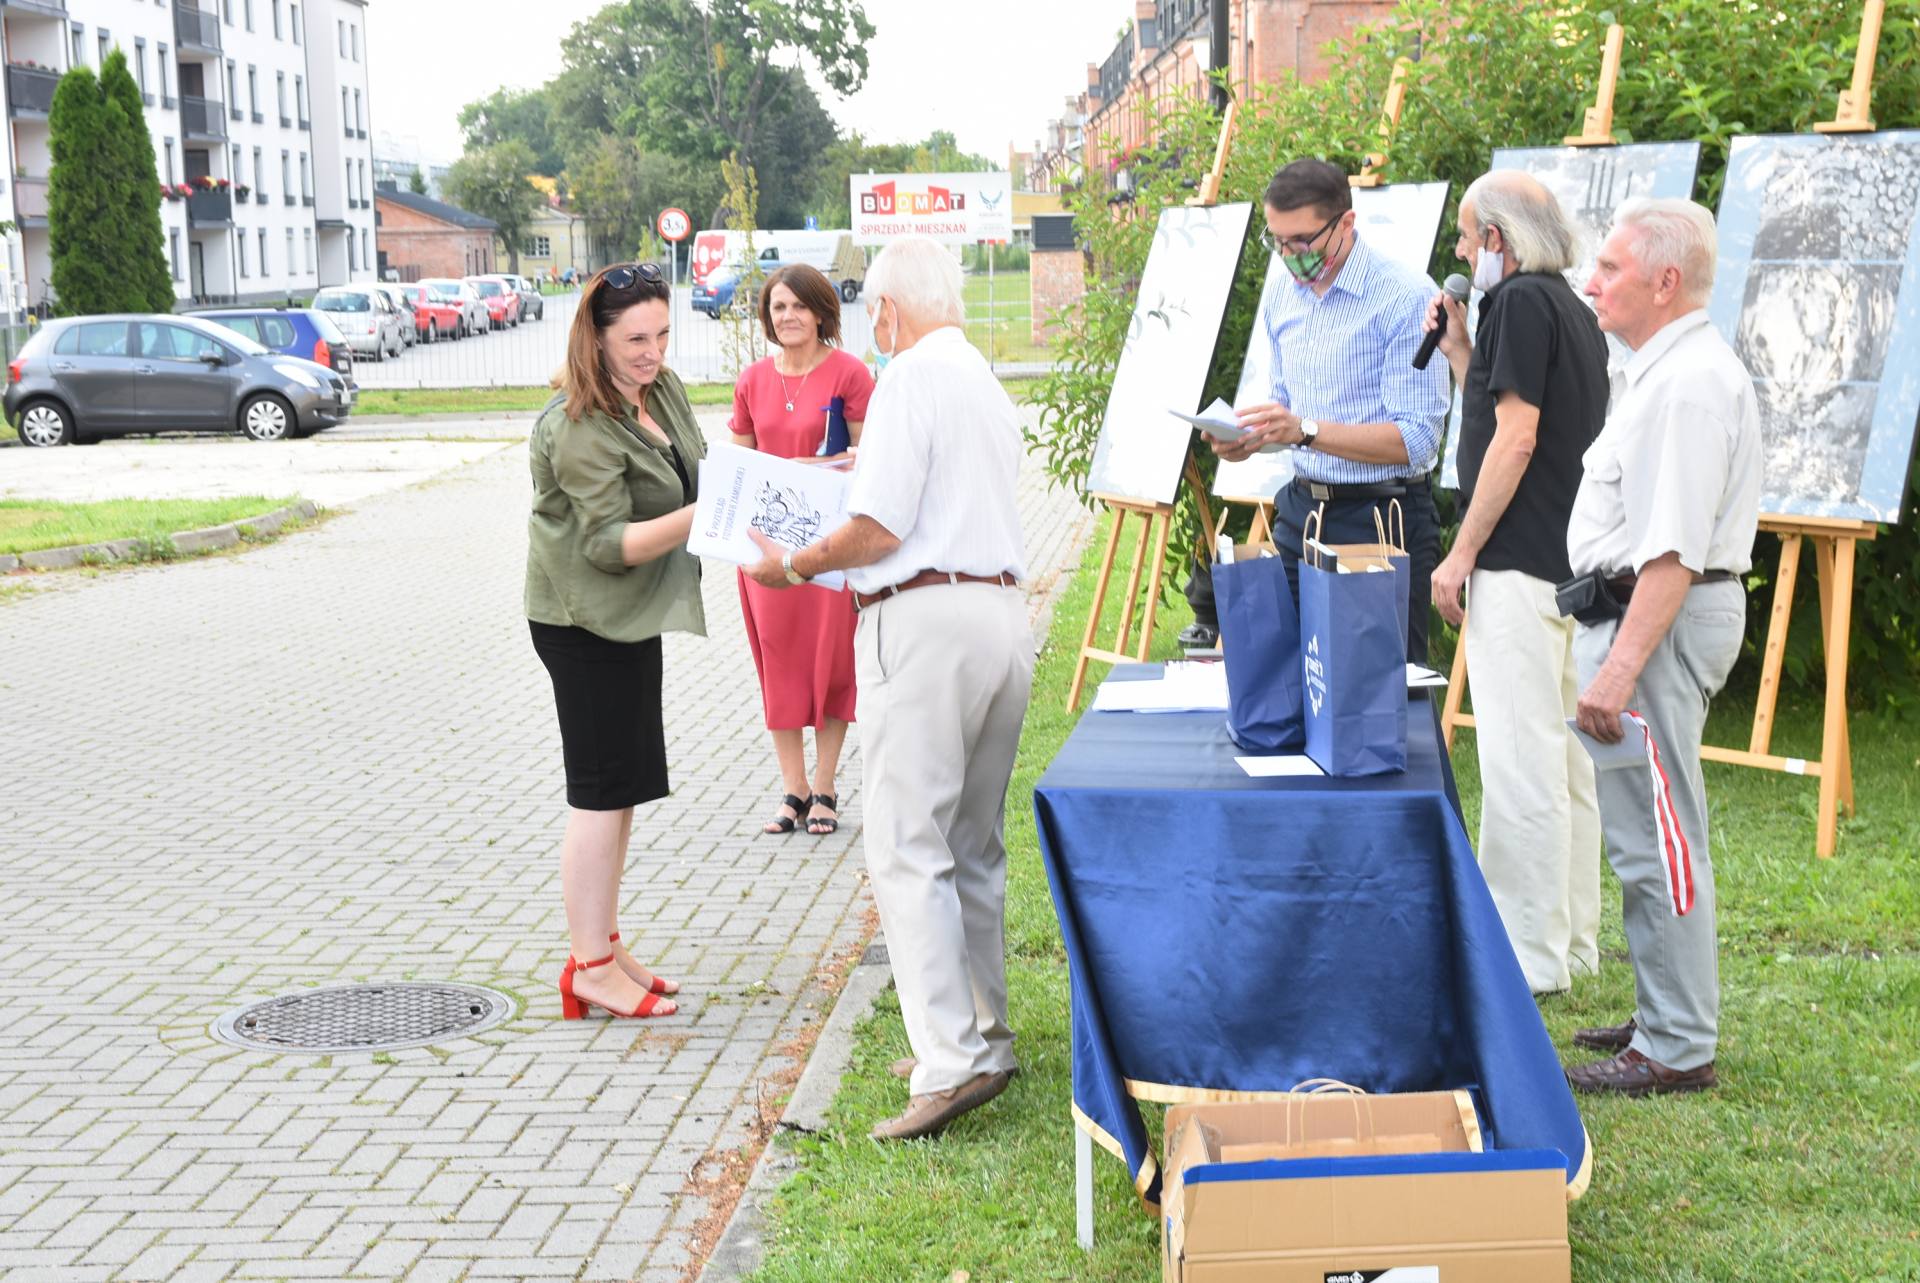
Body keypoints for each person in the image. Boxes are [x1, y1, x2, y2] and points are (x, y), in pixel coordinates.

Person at [743, 236, 1031, 1141]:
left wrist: (793, 564)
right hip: (998, 614)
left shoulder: (907, 377)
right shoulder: (982, 377)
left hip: (922, 619)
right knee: (972, 843)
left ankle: (949, 1059)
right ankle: (982, 1032)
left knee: (907, 846)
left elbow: (876, 526)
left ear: (892, 313)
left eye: (875, 313)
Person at [1563, 199, 1761, 1096]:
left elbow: (1672, 553)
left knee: (1662, 838)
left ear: (1665, 281)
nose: (1593, 280)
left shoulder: (1688, 384)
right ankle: (1662, 1012)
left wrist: (1618, 666)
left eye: (1610, 268)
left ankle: (1677, 1044)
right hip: (1645, 617)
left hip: (1657, 622)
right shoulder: (1659, 369)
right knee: (1647, 833)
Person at [1424, 172, 1609, 997]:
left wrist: (1461, 551)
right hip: (1565, 563)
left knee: (1519, 760)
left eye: (1467, 238)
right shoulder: (1567, 307)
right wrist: (1462, 348)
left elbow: (1517, 438)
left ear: (1496, 239)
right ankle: (1567, 943)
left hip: (1515, 561)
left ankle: (1527, 957)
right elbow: (1510, 412)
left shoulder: (1521, 305)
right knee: (1562, 761)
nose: (1461, 253)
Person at [526, 262, 706, 1022]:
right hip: (580, 621)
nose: (652, 351)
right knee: (599, 796)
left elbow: (698, 468)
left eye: (662, 333)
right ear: (594, 340)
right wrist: (708, 516)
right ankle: (590, 967)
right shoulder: (575, 424)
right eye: (635, 338)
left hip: (628, 616)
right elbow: (606, 543)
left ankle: (600, 942)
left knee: (625, 787)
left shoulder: (657, 389)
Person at [1210, 157, 1451, 661]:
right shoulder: (1282, 295)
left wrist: (1304, 431)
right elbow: (1291, 415)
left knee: (1380, 698)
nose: (1288, 255)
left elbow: (1417, 440)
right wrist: (1248, 440)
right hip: (1302, 514)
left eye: (1301, 241)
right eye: (1276, 241)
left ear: (1346, 223)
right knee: (1292, 681)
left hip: (1381, 518)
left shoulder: (1405, 297)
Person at [730, 264, 874, 837]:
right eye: (777, 308)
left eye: (797, 307)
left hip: (828, 547)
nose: (786, 317)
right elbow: (740, 464)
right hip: (767, 551)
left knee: (833, 663)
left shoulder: (850, 374)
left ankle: (827, 785)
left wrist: (806, 469)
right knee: (780, 663)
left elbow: (871, 457)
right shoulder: (751, 380)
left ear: (820, 312)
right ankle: (792, 789)